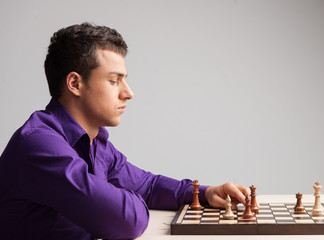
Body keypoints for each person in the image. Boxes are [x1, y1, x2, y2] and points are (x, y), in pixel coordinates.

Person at [0, 22, 250, 240]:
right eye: (113, 80)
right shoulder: (39, 146)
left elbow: (147, 186)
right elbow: (125, 221)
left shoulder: (95, 142)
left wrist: (206, 193)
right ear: (75, 83)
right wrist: (132, 201)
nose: (128, 93)